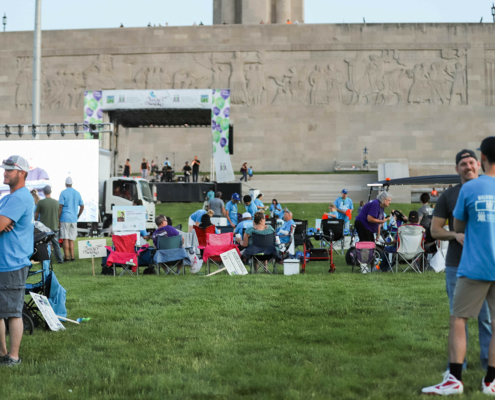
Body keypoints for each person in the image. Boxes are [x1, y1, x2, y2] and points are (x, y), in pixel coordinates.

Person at [422, 139, 495, 395]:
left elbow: (464, 226)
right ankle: (465, 372)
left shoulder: (477, 189)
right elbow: (436, 230)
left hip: (480, 263)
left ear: (481, 160)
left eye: (471, 162)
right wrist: (455, 236)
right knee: (461, 316)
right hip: (459, 263)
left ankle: (483, 373)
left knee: (477, 320)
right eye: (463, 164)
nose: (468, 166)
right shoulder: (451, 194)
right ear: (457, 168)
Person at [0, 156, 34, 367]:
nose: (5, 172)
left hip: (12, 263)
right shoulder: (8, 198)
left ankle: (13, 357)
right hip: (5, 262)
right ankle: (3, 353)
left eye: (10, 170)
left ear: (22, 173)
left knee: (12, 312)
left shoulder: (19, 198)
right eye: (5, 169)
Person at [34, 185, 64, 264]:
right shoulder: (56, 202)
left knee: (45, 244)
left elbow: (36, 215)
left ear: (43, 192)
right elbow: (58, 214)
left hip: (44, 228)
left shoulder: (41, 202)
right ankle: (60, 260)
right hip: (54, 226)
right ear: (50, 192)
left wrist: (35, 221)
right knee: (56, 244)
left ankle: (48, 260)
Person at [58, 177, 84, 262]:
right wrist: (78, 215)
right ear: (72, 184)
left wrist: (58, 218)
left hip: (64, 218)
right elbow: (82, 206)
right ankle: (72, 257)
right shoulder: (77, 193)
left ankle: (66, 257)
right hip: (74, 218)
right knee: (71, 239)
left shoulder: (63, 193)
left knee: (65, 238)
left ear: (65, 184)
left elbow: (60, 206)